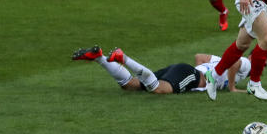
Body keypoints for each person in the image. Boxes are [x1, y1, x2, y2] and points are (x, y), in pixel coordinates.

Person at [71, 45, 252, 95]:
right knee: (159, 89)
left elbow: (199, 57)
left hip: (183, 69)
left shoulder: (223, 62)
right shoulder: (247, 64)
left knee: (130, 85)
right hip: (192, 75)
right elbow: (236, 62)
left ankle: (99, 57)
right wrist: (232, 88)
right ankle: (123, 58)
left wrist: (217, 69)